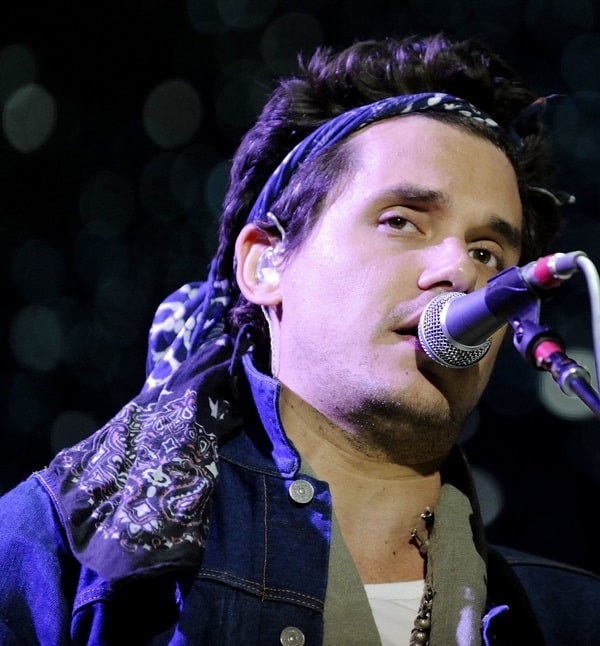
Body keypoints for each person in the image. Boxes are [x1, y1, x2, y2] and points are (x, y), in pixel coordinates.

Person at [0, 31, 598, 646]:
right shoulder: (57, 546)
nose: (460, 271)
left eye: (487, 250)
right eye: (401, 221)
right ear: (266, 264)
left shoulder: (570, 616)